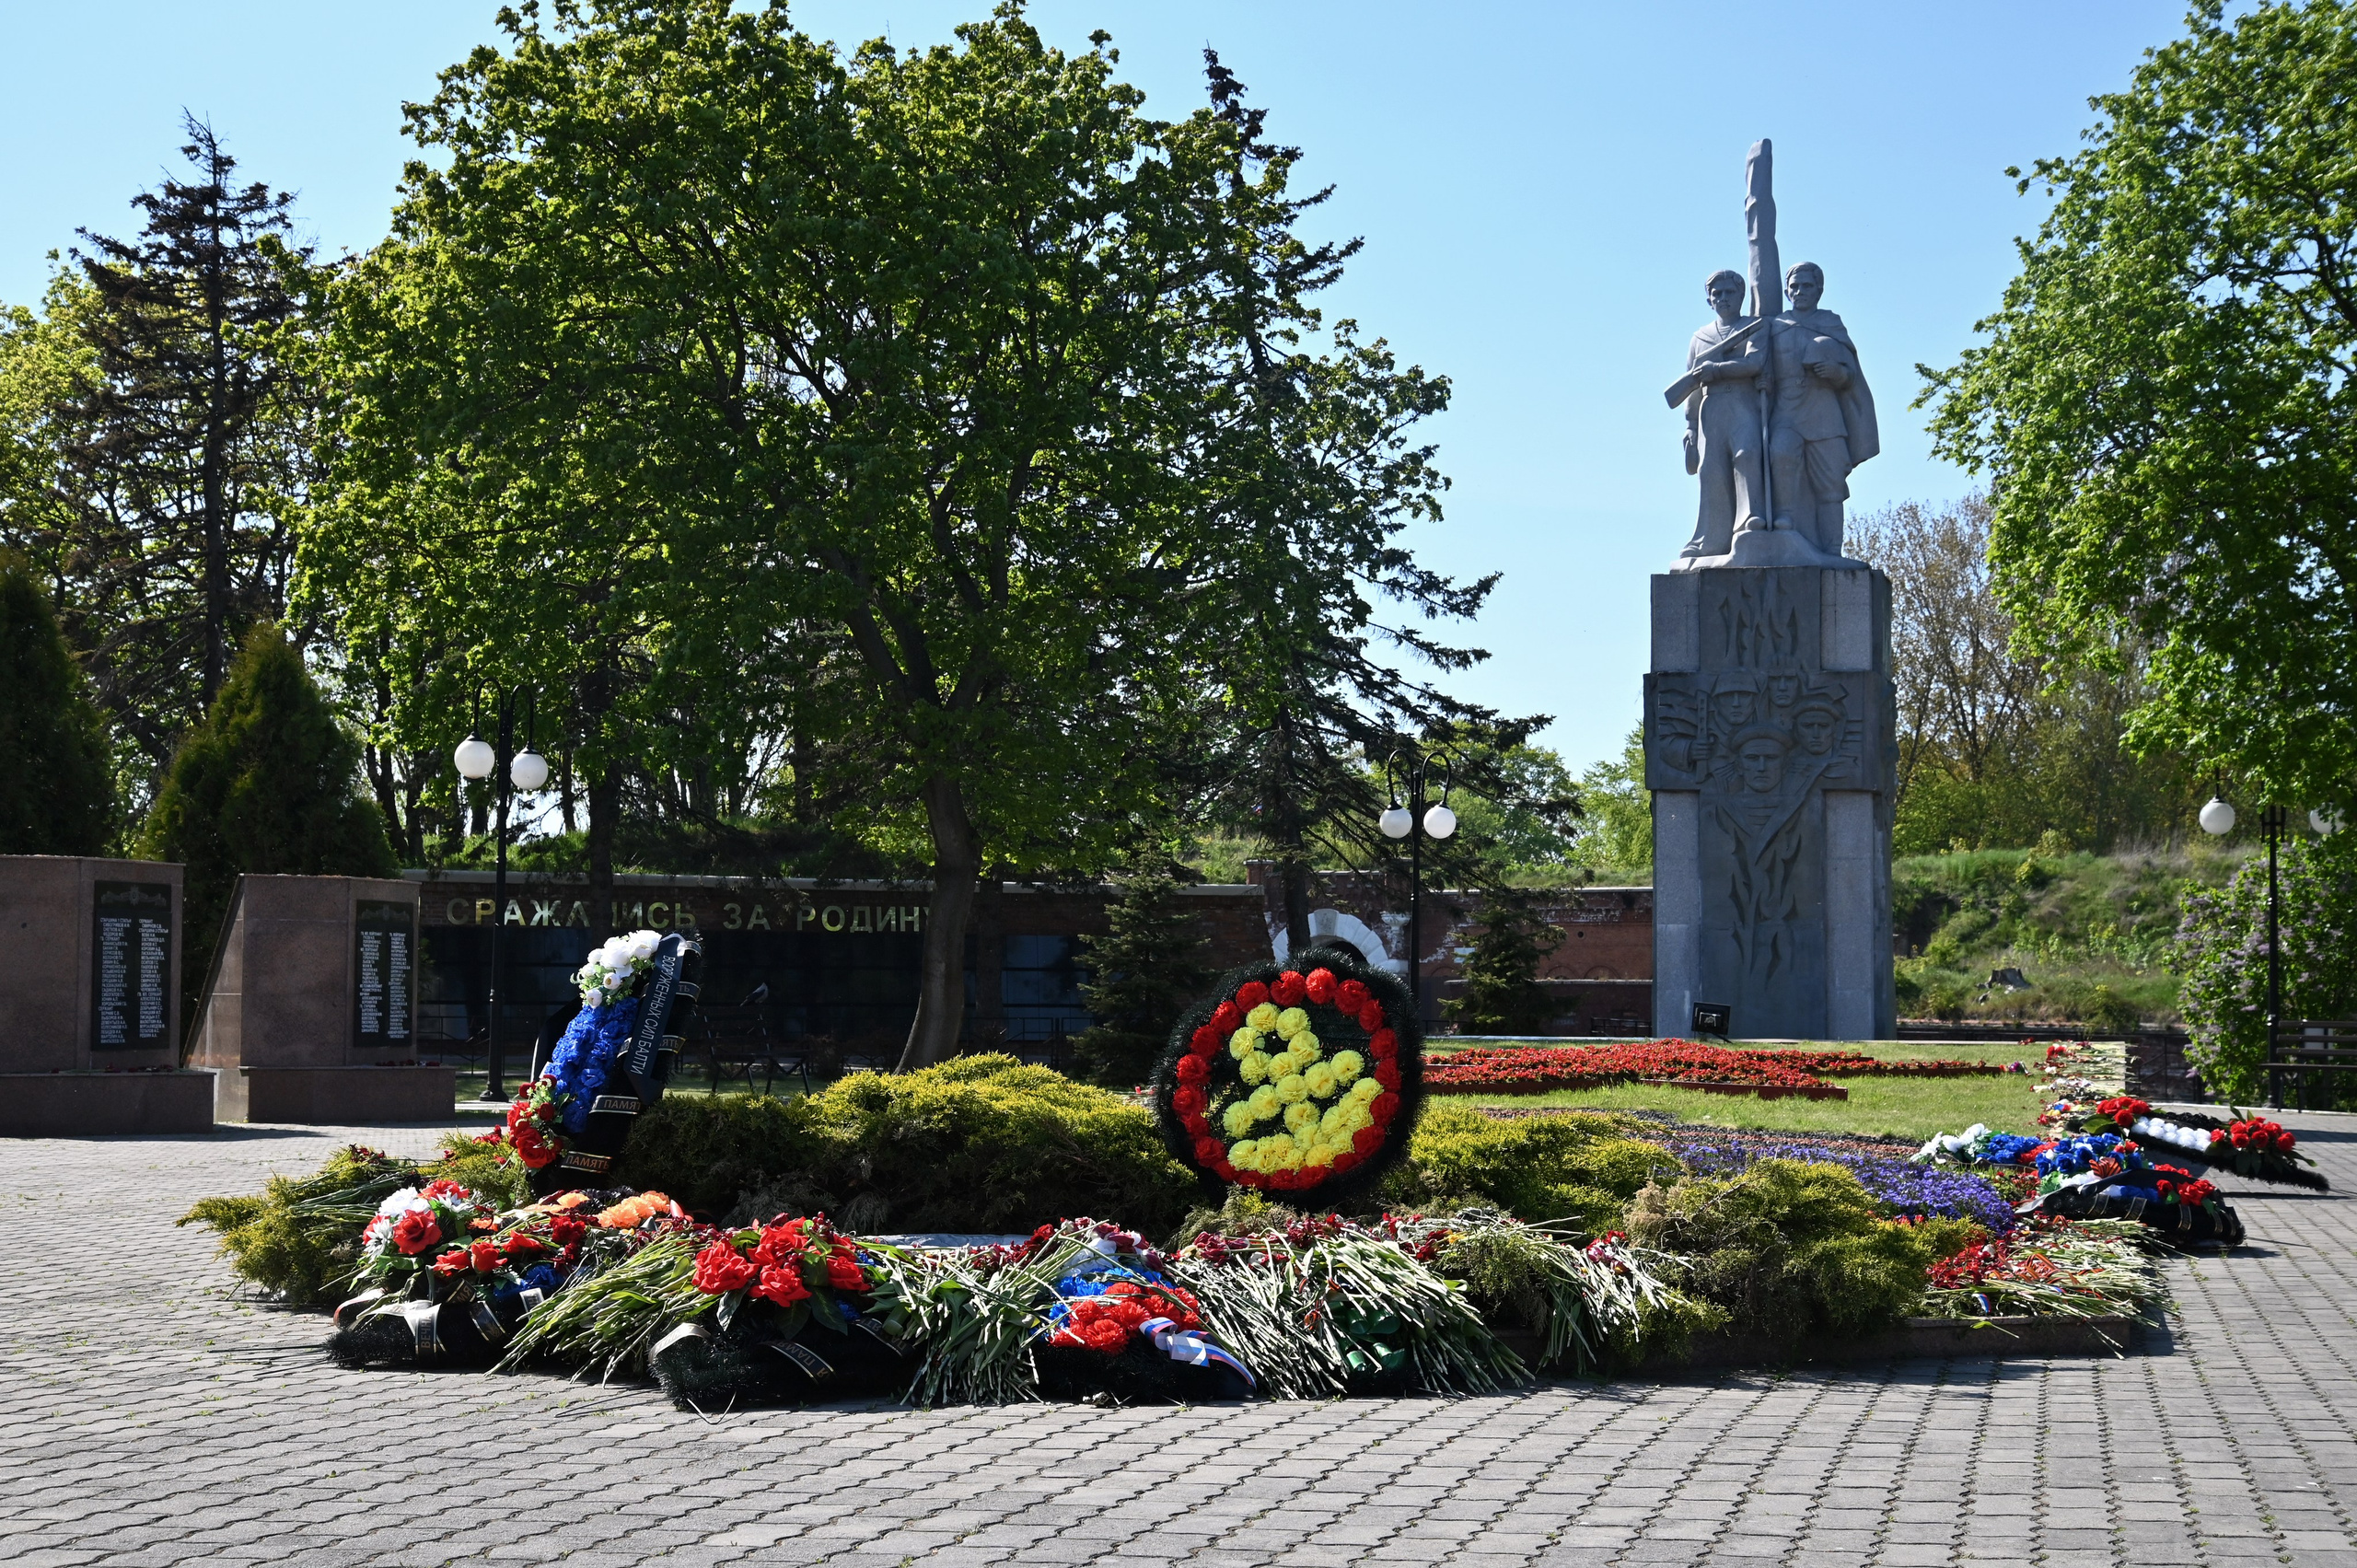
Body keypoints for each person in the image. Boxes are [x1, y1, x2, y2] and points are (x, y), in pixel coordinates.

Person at [1766, 262, 1879, 555]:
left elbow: (1851, 374)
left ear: (1819, 290)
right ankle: (1785, 524)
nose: (1800, 291)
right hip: (1786, 413)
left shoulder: (1831, 323)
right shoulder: (1775, 326)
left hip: (1824, 415)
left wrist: (1836, 372)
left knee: (1830, 486)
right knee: (1780, 453)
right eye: (1794, 286)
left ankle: (1832, 550)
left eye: (1806, 286)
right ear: (1787, 291)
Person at [1675, 270, 1767, 565]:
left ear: (1741, 296)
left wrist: (1717, 370)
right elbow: (1690, 387)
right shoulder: (1699, 338)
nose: (1723, 298)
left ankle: (1750, 519)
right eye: (1718, 294)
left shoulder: (1753, 327)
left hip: (1742, 402)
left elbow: (1755, 363)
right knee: (1711, 470)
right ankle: (1709, 539)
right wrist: (1690, 427)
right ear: (1709, 300)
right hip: (1711, 409)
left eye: (1730, 292)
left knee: (1747, 455)